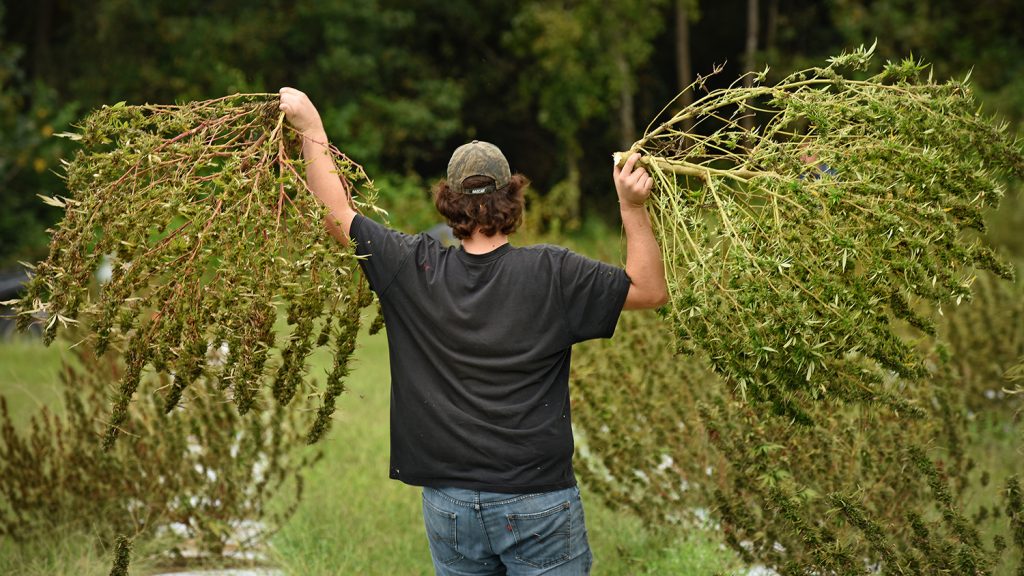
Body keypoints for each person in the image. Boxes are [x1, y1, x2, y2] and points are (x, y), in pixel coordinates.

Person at [279, 87, 668, 575]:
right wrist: (632, 207)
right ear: (512, 197)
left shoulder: (412, 266)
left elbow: (337, 213)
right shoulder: (553, 272)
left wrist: (312, 128)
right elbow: (650, 290)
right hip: (538, 501)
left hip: (450, 505)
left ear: (448, 202)